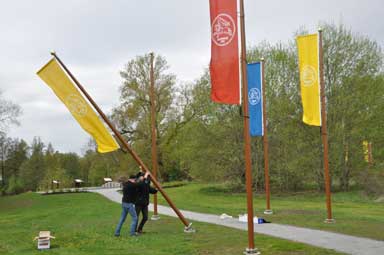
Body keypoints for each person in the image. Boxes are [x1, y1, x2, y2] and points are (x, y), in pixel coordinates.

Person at [114, 171, 149, 237]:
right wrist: (145, 177)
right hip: (129, 204)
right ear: (133, 179)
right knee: (135, 218)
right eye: (135, 180)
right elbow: (141, 184)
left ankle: (117, 233)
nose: (135, 180)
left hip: (124, 203)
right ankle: (132, 234)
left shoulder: (126, 184)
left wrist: (139, 176)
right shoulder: (132, 185)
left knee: (122, 219)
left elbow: (137, 183)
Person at [135, 169, 158, 234]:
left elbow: (151, 190)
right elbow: (142, 184)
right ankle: (134, 230)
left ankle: (139, 229)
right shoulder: (138, 183)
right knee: (136, 217)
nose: (144, 177)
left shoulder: (146, 184)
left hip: (145, 203)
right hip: (138, 203)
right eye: (142, 176)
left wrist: (156, 189)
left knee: (145, 217)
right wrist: (145, 177)